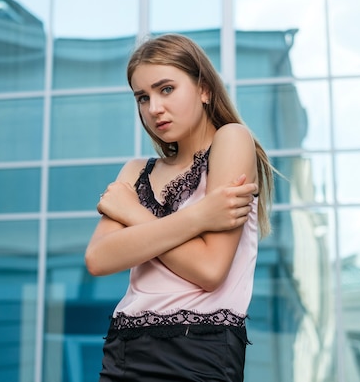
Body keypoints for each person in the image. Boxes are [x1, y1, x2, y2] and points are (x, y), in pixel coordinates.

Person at [85, 33, 274, 381]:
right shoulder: (135, 171)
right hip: (125, 351)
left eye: (166, 89)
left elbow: (209, 269)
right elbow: (98, 259)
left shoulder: (231, 139)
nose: (154, 108)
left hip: (200, 352)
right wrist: (200, 215)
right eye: (143, 97)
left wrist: (135, 215)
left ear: (204, 89)